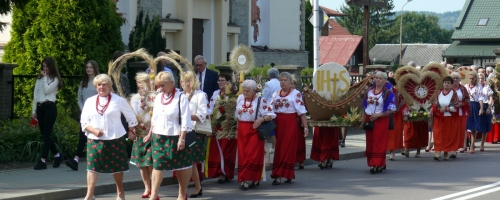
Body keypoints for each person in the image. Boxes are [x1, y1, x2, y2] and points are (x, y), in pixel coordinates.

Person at [80, 74, 138, 200]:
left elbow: (131, 117)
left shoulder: (118, 100)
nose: (102, 87)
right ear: (96, 87)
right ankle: (89, 194)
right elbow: (84, 122)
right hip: (95, 139)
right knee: (92, 167)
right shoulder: (90, 102)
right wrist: (94, 130)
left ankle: (120, 191)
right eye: (99, 85)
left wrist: (131, 130)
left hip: (115, 138)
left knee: (117, 168)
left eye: (104, 84)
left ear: (109, 86)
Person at [149, 71, 193, 200]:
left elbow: (186, 120)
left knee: (180, 166)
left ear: (172, 83)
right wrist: (150, 133)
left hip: (175, 136)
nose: (160, 88)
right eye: (159, 85)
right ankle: (154, 195)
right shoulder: (158, 97)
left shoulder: (181, 97)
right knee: (157, 165)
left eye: (163, 85)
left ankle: (181, 193)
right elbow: (155, 118)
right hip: (159, 136)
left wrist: (182, 139)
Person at [236, 80, 276, 189]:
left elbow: (270, 115)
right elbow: (237, 117)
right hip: (242, 130)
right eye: (243, 90)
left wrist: (261, 119)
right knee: (243, 156)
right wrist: (237, 129)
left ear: (254, 91)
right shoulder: (240, 99)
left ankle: (248, 179)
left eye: (247, 91)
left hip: (254, 130)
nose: (244, 93)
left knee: (252, 156)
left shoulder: (260, 100)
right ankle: (249, 179)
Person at [270, 72, 308, 184]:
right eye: (281, 80)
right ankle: (281, 174)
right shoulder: (275, 94)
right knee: (279, 149)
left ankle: (282, 174)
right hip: (278, 124)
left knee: (287, 149)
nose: (282, 82)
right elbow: (270, 109)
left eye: (285, 80)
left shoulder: (296, 94)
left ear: (290, 82)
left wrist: (305, 128)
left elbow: (302, 112)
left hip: (290, 124)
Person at [65, 60, 99, 171]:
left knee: (96, 137)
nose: (88, 69)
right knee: (82, 137)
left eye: (91, 67)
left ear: (95, 69)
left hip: (96, 114)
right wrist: (83, 109)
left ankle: (99, 159)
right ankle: (75, 160)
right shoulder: (83, 82)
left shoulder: (98, 82)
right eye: (87, 67)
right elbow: (79, 98)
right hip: (85, 114)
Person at [180, 71, 209, 198]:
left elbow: (202, 115)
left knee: (190, 161)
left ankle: (186, 190)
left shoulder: (200, 95)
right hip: (182, 131)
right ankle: (197, 187)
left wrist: (185, 116)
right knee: (187, 162)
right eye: (182, 81)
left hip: (195, 131)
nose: (185, 84)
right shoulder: (180, 95)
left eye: (188, 81)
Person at [32, 57, 64, 170]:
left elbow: (47, 91)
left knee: (46, 134)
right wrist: (33, 111)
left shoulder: (55, 79)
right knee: (45, 134)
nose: (45, 68)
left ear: (51, 67)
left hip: (50, 107)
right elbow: (36, 94)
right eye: (43, 66)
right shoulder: (40, 78)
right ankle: (57, 155)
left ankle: (43, 160)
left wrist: (45, 78)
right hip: (40, 107)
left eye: (47, 66)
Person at [361, 72, 395, 173]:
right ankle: (375, 163)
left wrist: (378, 115)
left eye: (380, 78)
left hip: (381, 120)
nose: (378, 80)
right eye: (376, 78)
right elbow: (365, 106)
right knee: (371, 142)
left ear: (385, 81)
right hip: (369, 119)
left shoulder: (388, 93)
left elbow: (391, 109)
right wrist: (363, 120)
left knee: (379, 142)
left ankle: (377, 164)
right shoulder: (369, 91)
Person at [206, 74, 237, 183]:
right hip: (217, 125)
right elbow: (210, 107)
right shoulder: (215, 93)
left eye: (222, 80)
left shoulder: (232, 95)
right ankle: (218, 171)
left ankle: (225, 173)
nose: (220, 82)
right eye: (218, 81)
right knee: (217, 150)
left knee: (227, 150)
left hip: (228, 125)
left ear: (228, 82)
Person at [129, 72, 154, 198]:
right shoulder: (134, 98)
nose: (141, 85)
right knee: (142, 163)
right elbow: (133, 115)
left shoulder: (155, 96)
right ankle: (147, 187)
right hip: (140, 133)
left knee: (150, 163)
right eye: (139, 82)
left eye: (144, 81)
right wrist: (137, 125)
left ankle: (154, 188)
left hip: (152, 132)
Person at [430, 76, 460, 161]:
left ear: (451, 85)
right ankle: (438, 152)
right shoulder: (439, 92)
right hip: (438, 117)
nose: (446, 84)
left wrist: (447, 109)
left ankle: (446, 152)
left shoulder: (454, 93)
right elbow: (435, 103)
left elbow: (456, 106)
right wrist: (436, 110)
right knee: (438, 135)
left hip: (449, 117)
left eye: (448, 83)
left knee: (447, 136)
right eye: (445, 82)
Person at [450, 72, 470, 158]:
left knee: (459, 131)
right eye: (453, 78)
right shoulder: (448, 88)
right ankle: (451, 148)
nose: (455, 80)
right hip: (450, 112)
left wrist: (461, 104)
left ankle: (455, 149)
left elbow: (467, 100)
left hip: (460, 113)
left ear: (459, 80)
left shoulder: (463, 89)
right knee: (451, 131)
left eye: (457, 78)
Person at [262, 68, 280, 153]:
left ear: (269, 75)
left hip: (270, 107)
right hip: (279, 107)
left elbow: (264, 96)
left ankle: (274, 146)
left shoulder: (268, 84)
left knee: (271, 128)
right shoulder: (280, 82)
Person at [465, 71, 483, 154]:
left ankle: (472, 145)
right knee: (465, 126)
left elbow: (480, 98)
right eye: (470, 78)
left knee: (473, 127)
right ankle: (464, 145)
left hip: (475, 106)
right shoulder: (465, 86)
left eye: (473, 78)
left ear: (476, 78)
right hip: (467, 106)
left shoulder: (479, 87)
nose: (471, 80)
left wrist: (481, 108)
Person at [291, 76, 306, 169]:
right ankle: (292, 160)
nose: (291, 85)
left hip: (298, 120)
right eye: (290, 83)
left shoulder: (298, 94)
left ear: (295, 85)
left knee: (299, 142)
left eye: (292, 84)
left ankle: (301, 161)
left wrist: (303, 123)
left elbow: (302, 109)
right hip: (291, 121)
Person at [386, 78, 403, 160]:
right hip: (383, 115)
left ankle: (392, 152)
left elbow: (403, 103)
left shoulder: (398, 93)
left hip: (395, 116)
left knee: (393, 135)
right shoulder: (381, 91)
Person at [478, 73, 493, 151]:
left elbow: (490, 98)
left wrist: (489, 108)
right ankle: (472, 143)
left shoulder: (487, 87)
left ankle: (482, 144)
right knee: (476, 125)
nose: (480, 80)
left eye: (482, 78)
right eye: (479, 78)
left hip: (486, 105)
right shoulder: (476, 87)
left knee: (485, 127)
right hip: (477, 105)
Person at [486, 79, 500, 144]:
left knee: (496, 123)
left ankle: (496, 137)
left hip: (496, 110)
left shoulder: (497, 93)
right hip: (491, 109)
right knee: (493, 123)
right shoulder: (490, 92)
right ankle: (494, 138)